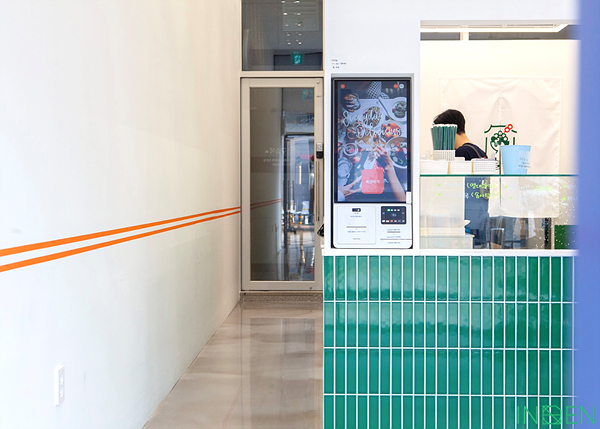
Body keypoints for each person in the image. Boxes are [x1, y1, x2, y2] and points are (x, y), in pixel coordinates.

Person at [433, 109, 489, 248]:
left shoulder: (461, 153)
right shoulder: (480, 152)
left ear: (449, 131)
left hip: (465, 222)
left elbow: (449, 189)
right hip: (480, 220)